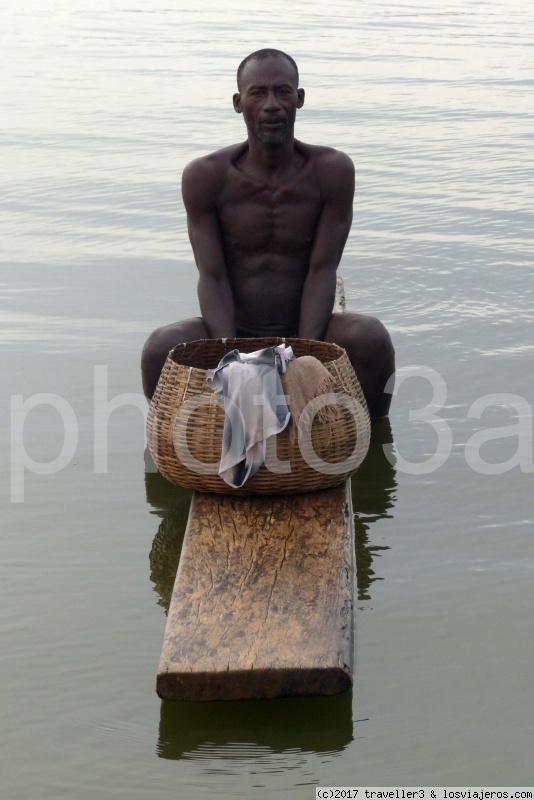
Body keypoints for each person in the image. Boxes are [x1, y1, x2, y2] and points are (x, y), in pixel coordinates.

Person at [141, 48, 395, 417]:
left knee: (370, 337)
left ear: (300, 99)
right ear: (238, 102)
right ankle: (169, 446)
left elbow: (321, 270)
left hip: (311, 326)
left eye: (283, 92)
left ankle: (369, 441)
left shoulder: (332, 171)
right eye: (258, 93)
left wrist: (304, 359)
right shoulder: (206, 177)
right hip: (232, 326)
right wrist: (233, 359)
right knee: (158, 348)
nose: (272, 104)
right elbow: (212, 277)